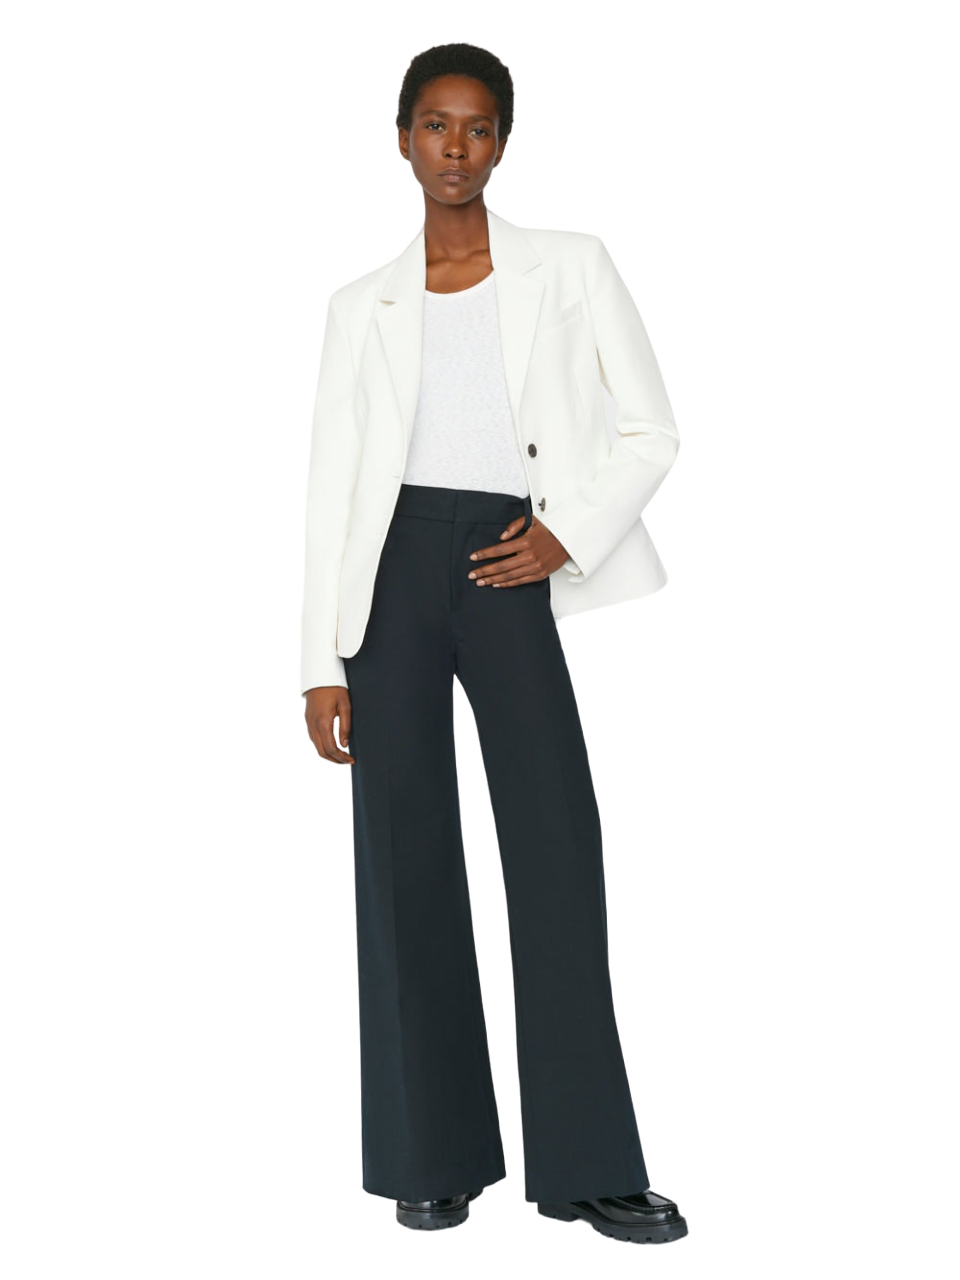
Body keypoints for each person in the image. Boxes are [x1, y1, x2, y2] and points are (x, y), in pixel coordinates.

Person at [300, 42, 688, 1246]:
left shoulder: (569, 265)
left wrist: (566, 531)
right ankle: (433, 1155)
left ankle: (589, 1164)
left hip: (509, 558)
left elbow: (652, 427)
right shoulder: (358, 305)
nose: (455, 148)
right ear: (402, 138)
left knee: (556, 845)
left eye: (477, 128)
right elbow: (332, 486)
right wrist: (319, 658)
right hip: (391, 574)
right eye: (435, 125)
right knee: (404, 857)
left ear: (503, 142)